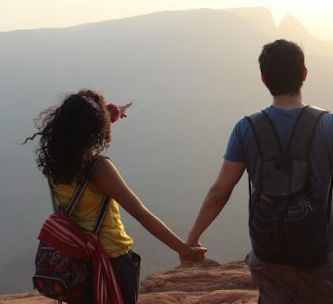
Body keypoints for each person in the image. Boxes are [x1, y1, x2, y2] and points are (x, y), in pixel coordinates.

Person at [185, 39, 333, 303]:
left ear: (263, 79)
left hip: (268, 257)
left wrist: (192, 239)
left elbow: (219, 192)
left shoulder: (245, 128)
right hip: (318, 256)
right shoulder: (330, 125)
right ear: (304, 74)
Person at [24, 89, 206, 303]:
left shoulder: (55, 161)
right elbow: (141, 214)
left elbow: (81, 126)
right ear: (95, 128)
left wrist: (114, 112)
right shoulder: (98, 168)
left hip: (73, 263)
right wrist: (185, 250)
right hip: (110, 261)